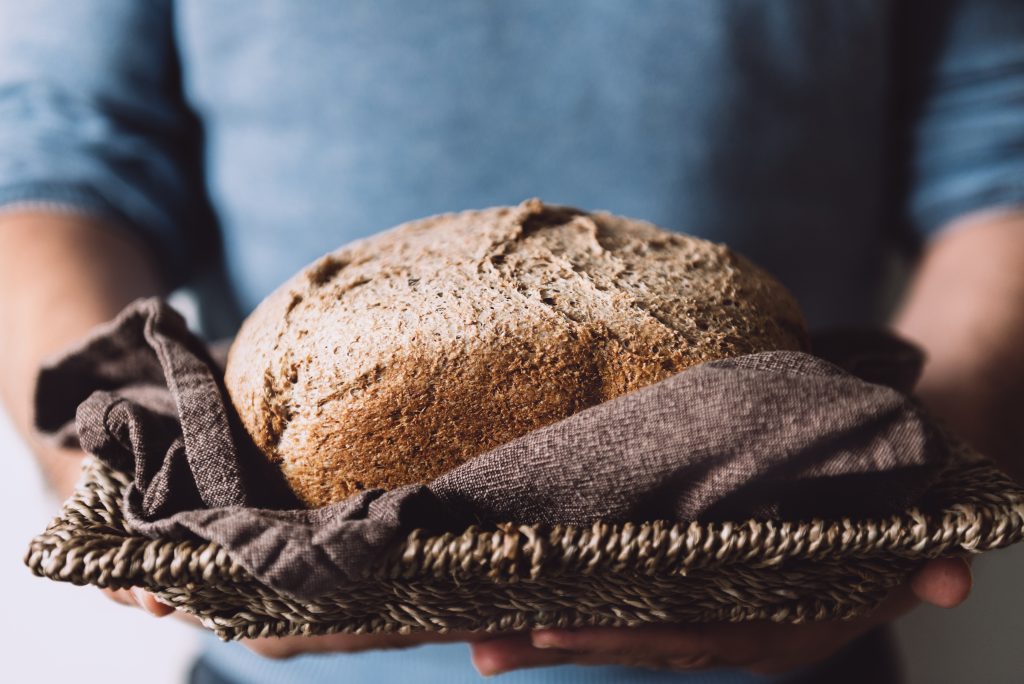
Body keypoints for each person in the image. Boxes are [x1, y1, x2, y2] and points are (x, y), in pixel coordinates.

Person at [0, 1, 1021, 682]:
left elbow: (1002, 165)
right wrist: (139, 489)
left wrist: (913, 478)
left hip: (798, 654)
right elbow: (55, 167)